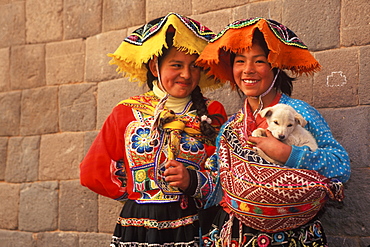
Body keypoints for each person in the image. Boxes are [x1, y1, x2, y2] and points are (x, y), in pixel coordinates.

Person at [196, 17, 351, 246]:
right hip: (236, 237)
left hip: (293, 238)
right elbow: (217, 181)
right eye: (240, 61)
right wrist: (190, 180)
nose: (248, 70)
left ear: (275, 67)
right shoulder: (231, 127)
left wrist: (287, 153)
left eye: (259, 61)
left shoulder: (300, 115)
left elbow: (341, 166)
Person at [79, 12, 227, 247]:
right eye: (176, 65)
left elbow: (226, 175)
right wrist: (139, 193)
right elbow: (92, 172)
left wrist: (192, 181)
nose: (186, 75)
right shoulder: (126, 113)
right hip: (138, 228)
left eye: (194, 66)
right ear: (154, 66)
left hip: (196, 226)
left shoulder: (212, 113)